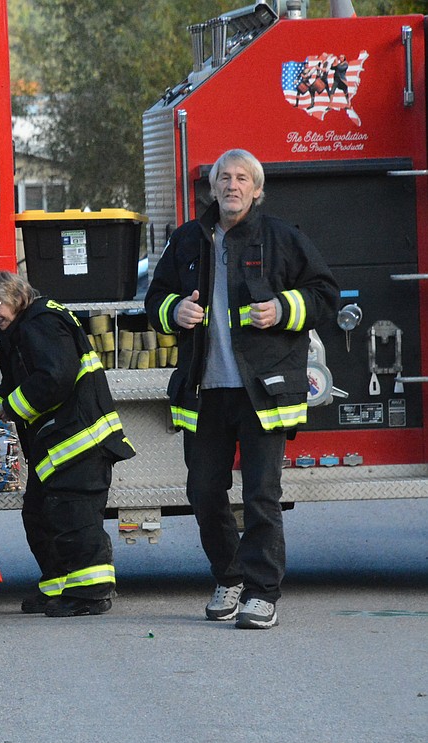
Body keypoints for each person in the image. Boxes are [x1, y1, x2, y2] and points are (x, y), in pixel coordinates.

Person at [145, 148, 338, 629]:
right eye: (224, 178)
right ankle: (228, 577)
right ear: (212, 188)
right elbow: (154, 298)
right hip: (204, 390)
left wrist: (282, 310)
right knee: (204, 493)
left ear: (256, 189)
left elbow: (324, 295)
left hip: (262, 392)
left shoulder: (281, 238)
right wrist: (174, 311)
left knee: (260, 497)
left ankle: (261, 592)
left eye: (241, 179)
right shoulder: (188, 239)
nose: (232, 186)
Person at [0, 270, 135, 617]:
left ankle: (90, 594)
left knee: (73, 515)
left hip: (78, 439)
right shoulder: (27, 325)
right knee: (40, 513)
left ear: (15, 296)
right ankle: (57, 585)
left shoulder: (41, 322)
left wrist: (12, 408)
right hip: (59, 441)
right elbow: (20, 378)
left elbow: (55, 378)